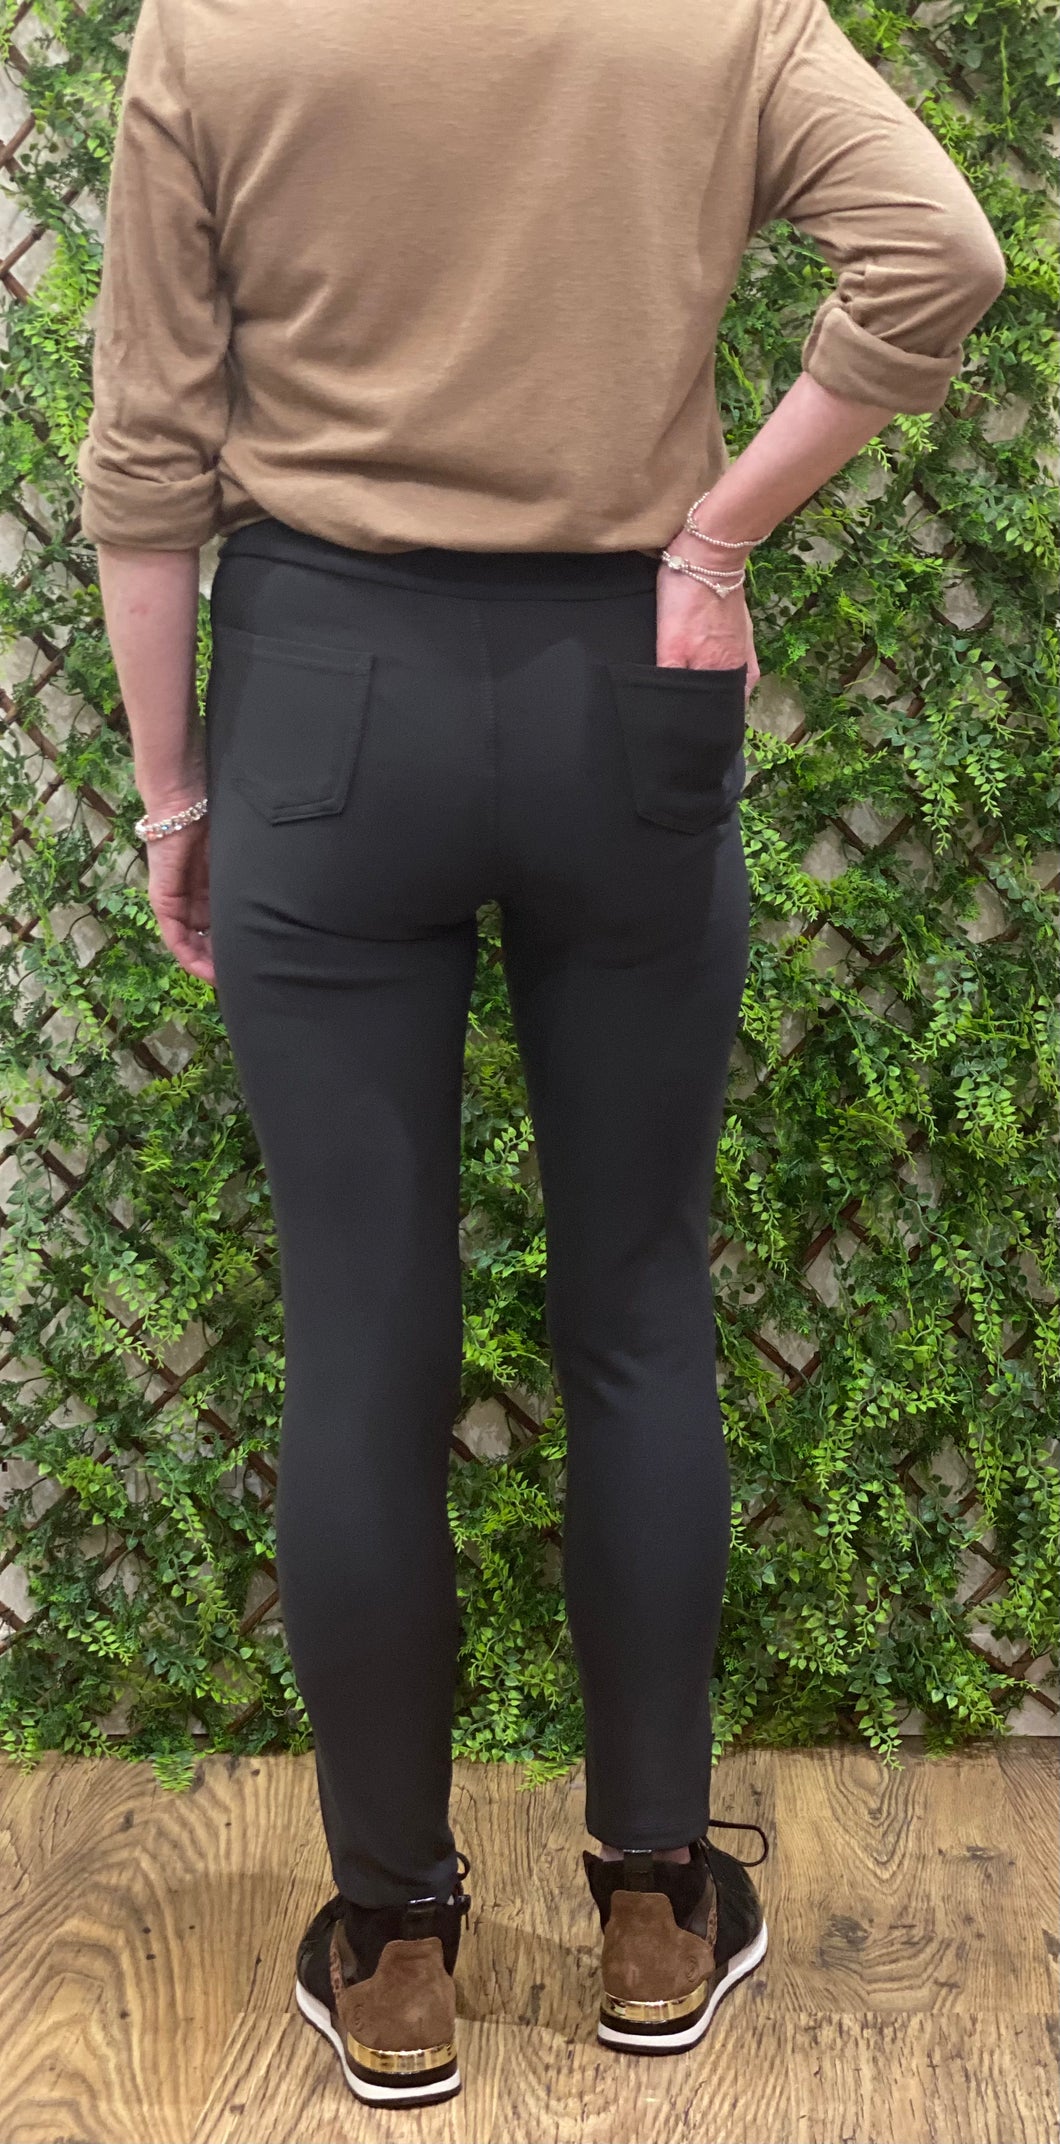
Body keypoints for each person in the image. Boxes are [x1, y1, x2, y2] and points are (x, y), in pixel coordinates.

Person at [77, 0, 1007, 2108]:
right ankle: (655, 1904)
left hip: (326, 694)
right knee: (640, 1310)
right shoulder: (723, 11)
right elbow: (938, 254)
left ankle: (396, 1943)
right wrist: (719, 530)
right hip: (627, 676)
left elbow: (145, 456)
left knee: (361, 1339)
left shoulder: (213, 30)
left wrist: (170, 792)